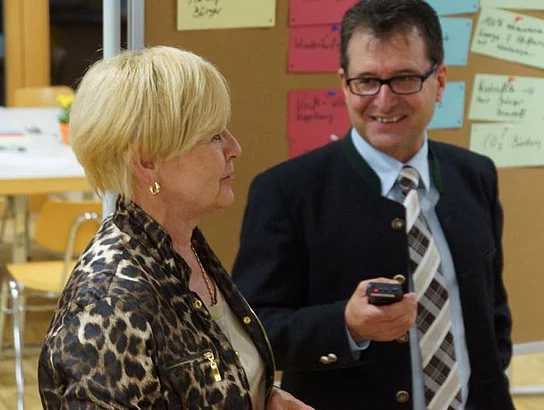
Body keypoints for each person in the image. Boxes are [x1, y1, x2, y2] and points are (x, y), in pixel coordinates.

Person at [232, 1, 514, 409]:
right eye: (366, 81)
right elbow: (250, 332)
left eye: (404, 79)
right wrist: (345, 325)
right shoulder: (286, 192)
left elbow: (492, 317)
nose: (383, 100)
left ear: (439, 81)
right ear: (344, 83)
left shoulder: (476, 175)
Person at [38, 46, 313, 410]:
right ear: (147, 162)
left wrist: (262, 398)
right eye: (213, 136)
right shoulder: (108, 304)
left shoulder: (182, 246)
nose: (235, 148)